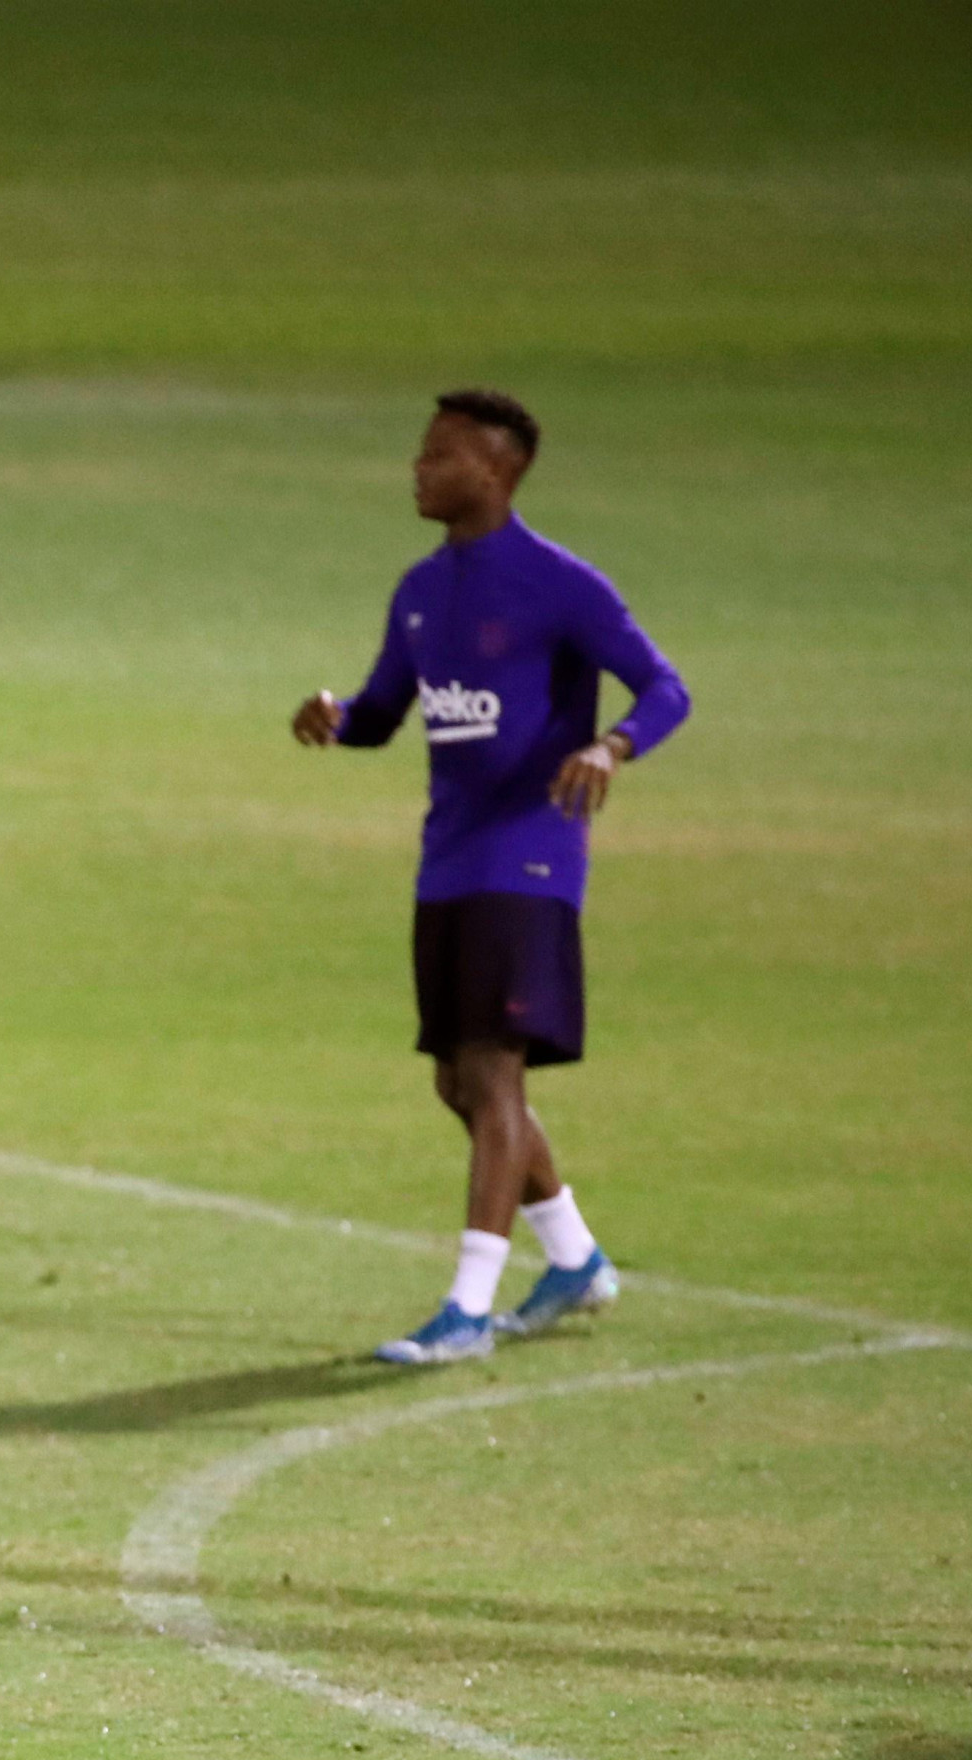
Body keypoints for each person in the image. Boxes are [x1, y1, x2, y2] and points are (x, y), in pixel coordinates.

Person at [293, 388, 690, 1364]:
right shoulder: (421, 592)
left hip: (531, 856)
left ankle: (467, 1308)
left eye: (439, 456)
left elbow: (665, 687)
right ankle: (575, 1260)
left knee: (493, 1071)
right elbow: (386, 711)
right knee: (458, 1084)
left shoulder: (559, 585)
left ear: (496, 472)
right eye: (420, 454)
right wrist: (335, 716)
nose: (417, 469)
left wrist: (611, 747)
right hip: (447, 863)